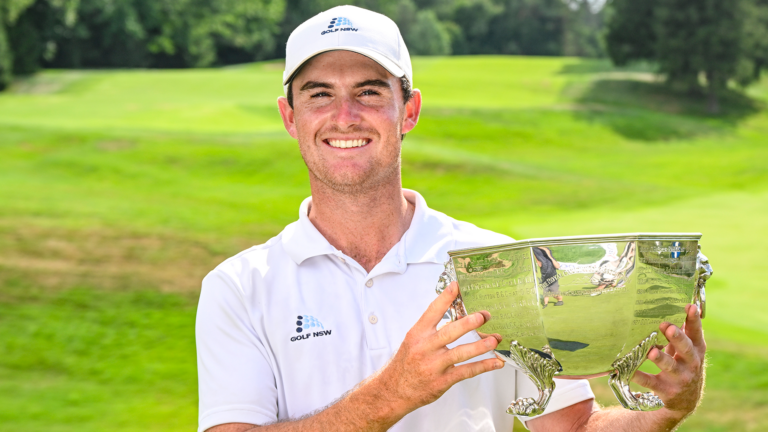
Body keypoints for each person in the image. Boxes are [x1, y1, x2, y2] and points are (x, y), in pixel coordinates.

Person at [196, 6, 707, 432]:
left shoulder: (499, 265)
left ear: (409, 110)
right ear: (290, 117)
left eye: (369, 92)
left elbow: (573, 427)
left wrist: (668, 408)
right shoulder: (239, 288)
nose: (345, 116)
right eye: (319, 94)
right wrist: (392, 394)